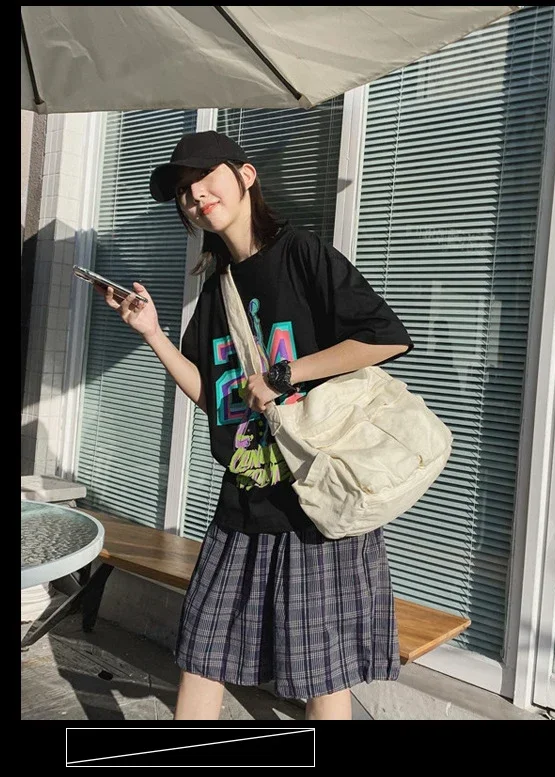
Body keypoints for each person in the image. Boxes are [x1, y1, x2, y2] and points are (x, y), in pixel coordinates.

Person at [96, 130, 414, 720]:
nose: (195, 196)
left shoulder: (302, 255)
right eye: (184, 191)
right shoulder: (217, 288)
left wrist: (283, 375)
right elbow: (214, 399)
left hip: (315, 501)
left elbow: (384, 338)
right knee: (201, 653)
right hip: (243, 497)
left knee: (325, 674)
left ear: (245, 176)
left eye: (204, 179)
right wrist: (154, 335)